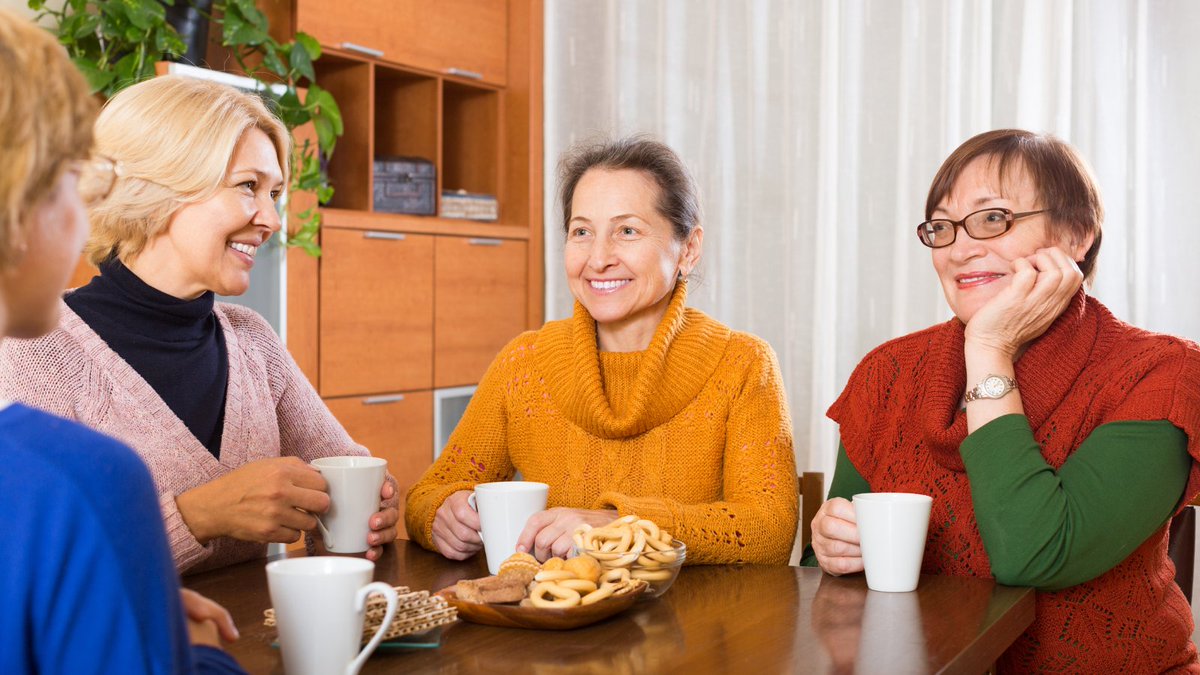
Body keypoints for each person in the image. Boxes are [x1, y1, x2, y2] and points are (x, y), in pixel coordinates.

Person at [808, 129, 1200, 671]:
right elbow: (826, 571)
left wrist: (990, 348)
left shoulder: (1161, 373)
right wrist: (832, 547)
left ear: (1078, 234)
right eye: (942, 227)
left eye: (993, 219)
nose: (961, 247)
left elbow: (1036, 554)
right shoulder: (888, 372)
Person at [0, 75, 399, 575]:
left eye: (274, 192)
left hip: (255, 644)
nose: (272, 220)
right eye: (248, 186)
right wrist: (200, 516)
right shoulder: (32, 349)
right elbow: (33, 571)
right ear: (158, 187)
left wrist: (373, 511)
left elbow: (343, 470)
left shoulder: (252, 340)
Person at [406, 137, 798, 565]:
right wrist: (443, 514)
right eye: (582, 232)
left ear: (688, 249)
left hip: (691, 627)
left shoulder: (742, 364)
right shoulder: (524, 362)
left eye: (626, 231)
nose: (598, 258)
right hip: (551, 624)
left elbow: (767, 530)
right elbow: (427, 495)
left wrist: (619, 527)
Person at [0, 9, 243, 672]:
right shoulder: (79, 482)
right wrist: (194, 657)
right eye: (76, 183)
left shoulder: (249, 337)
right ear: (21, 205)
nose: (87, 221)